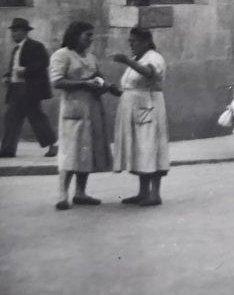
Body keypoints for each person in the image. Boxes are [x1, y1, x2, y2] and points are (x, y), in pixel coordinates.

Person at [49, 21, 119, 210]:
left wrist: (106, 86)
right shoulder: (62, 55)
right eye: (87, 35)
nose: (90, 39)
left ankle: (80, 192)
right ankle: (63, 195)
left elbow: (99, 76)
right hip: (73, 108)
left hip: (92, 107)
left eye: (91, 35)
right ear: (75, 35)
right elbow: (57, 81)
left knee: (86, 151)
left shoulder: (91, 58)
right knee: (70, 151)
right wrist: (84, 84)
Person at [111, 27, 170, 207]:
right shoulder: (138, 58)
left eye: (134, 42)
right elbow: (133, 86)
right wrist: (118, 92)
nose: (131, 45)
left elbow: (149, 73)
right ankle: (143, 192)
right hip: (134, 107)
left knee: (151, 147)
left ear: (145, 41)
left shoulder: (154, 57)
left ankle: (155, 194)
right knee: (139, 149)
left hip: (149, 106)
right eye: (130, 42)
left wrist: (126, 61)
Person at [0, 17, 58, 159]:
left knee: (36, 117)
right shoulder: (16, 49)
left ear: (23, 32)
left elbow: (44, 62)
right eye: (12, 31)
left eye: (15, 31)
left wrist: (26, 70)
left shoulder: (35, 46)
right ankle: (8, 150)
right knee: (11, 119)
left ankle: (53, 145)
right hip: (16, 88)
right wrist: (7, 76)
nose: (13, 34)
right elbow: (14, 69)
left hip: (29, 88)